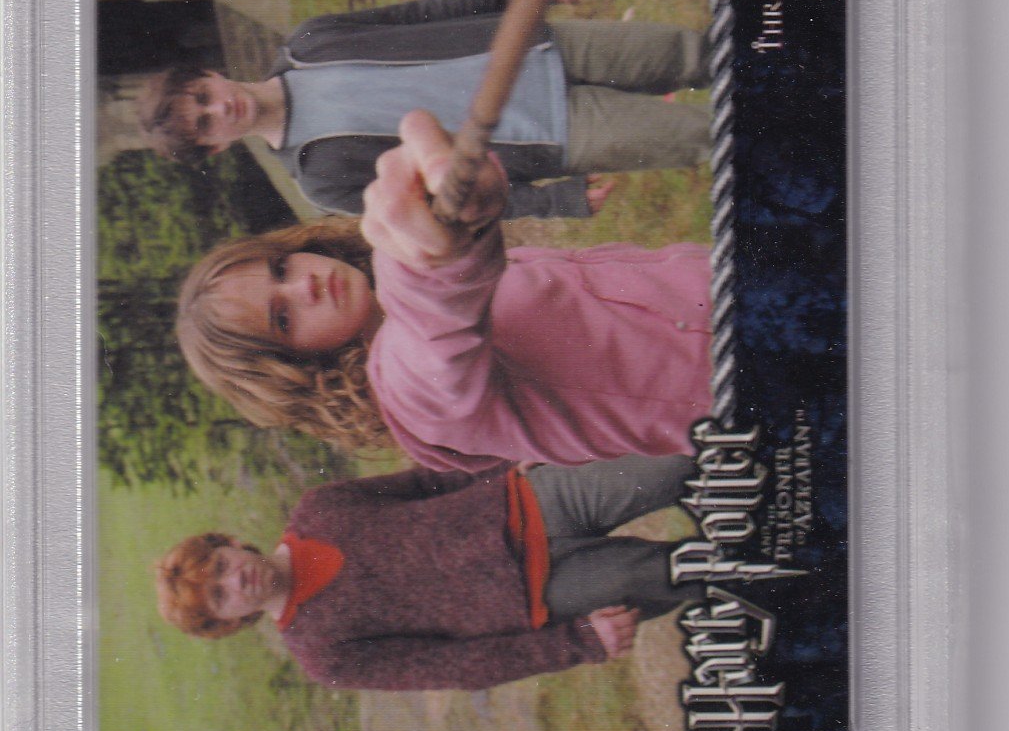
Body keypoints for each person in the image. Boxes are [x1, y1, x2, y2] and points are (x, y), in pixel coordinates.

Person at [175, 110, 712, 468]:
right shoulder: (411, 397)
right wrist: (425, 255)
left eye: (280, 269)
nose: (305, 286)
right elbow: (432, 317)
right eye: (283, 318)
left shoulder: (383, 294)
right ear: (294, 366)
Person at [138, 0, 709, 219]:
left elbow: (418, 15)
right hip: (552, 133)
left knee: (696, 53)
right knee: (704, 136)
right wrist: (553, 202)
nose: (219, 109)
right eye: (206, 124)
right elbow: (446, 210)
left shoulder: (311, 42)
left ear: (210, 74)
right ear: (216, 148)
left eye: (204, 96)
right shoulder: (320, 179)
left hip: (539, 46)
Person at [154, 452, 706, 691]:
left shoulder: (319, 508)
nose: (235, 580)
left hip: (533, 500)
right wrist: (579, 643)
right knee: (679, 573)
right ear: (231, 622)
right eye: (221, 596)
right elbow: (455, 667)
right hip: (545, 594)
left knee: (678, 466)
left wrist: (508, 459)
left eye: (221, 565)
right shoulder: (323, 655)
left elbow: (428, 481)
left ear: (230, 543)